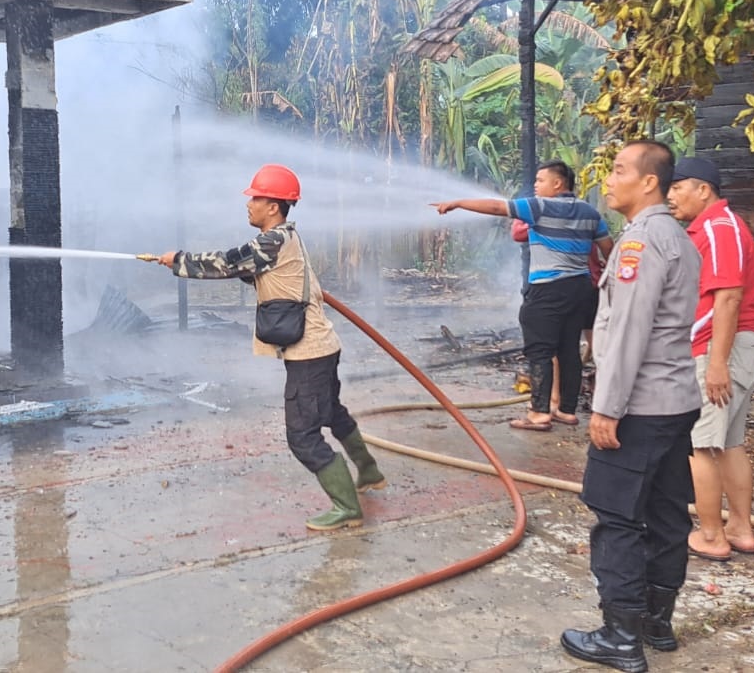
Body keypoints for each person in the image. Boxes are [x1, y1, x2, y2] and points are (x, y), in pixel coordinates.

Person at [155, 163, 385, 533]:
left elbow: (228, 263)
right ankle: (370, 472)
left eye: (256, 198)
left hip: (309, 354)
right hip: (322, 347)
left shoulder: (273, 240)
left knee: (302, 436)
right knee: (331, 413)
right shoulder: (284, 240)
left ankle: (347, 508)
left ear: (274, 206)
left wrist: (178, 261)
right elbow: (251, 272)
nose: (249, 204)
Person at [560, 141, 701, 673]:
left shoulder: (641, 242)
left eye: (619, 170)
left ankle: (620, 637)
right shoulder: (677, 236)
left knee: (617, 517)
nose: (609, 179)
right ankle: (656, 623)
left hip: (639, 406)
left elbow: (628, 333)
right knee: (666, 513)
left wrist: (606, 407)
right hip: (674, 402)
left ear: (649, 182)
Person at [433, 160, 613, 430]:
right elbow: (609, 250)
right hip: (581, 288)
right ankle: (566, 410)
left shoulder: (539, 207)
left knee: (540, 350)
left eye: (541, 180)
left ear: (558, 183)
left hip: (548, 289)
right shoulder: (590, 213)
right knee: (569, 351)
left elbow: (496, 207)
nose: (536, 186)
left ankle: (539, 413)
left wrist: (457, 202)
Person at [666, 156, 754, 561]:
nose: (670, 196)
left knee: (702, 443)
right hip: (735, 343)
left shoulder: (718, 227)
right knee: (729, 442)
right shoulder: (719, 227)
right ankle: (740, 527)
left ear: (703, 189)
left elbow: (727, 297)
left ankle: (711, 535)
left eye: (677, 188)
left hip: (722, 344)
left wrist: (716, 362)